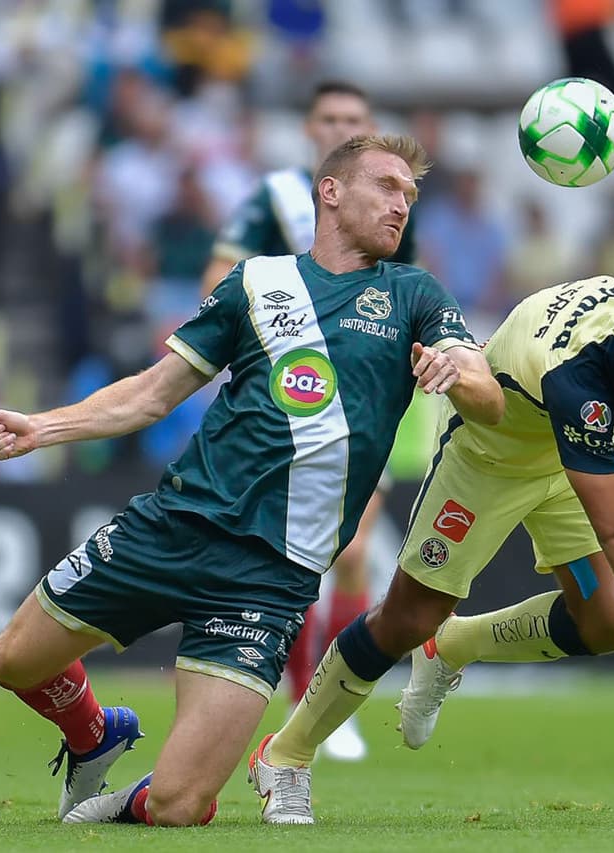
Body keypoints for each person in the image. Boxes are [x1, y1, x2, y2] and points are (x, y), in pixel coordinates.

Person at [0, 135, 503, 827]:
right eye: (387, 186)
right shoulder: (257, 282)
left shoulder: (413, 293)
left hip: (268, 577)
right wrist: (45, 426)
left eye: (409, 194)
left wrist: (461, 374)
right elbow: (153, 394)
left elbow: (486, 393)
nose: (402, 204)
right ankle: (94, 734)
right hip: (174, 524)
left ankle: (127, 799)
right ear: (330, 191)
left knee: (181, 805)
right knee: (11, 660)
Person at [250, 183, 614, 825]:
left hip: (567, 462)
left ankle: (456, 646)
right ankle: (284, 756)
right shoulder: (578, 378)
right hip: (490, 453)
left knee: (613, 622)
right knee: (405, 618)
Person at [201, 80, 416, 761]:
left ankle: (325, 705)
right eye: (329, 118)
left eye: (354, 117)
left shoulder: (391, 196)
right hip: (288, 400)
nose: (340, 127)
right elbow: (216, 279)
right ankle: (301, 700)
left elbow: (409, 289)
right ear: (308, 127)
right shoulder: (278, 199)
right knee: (300, 561)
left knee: (351, 555)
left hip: (366, 396)